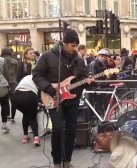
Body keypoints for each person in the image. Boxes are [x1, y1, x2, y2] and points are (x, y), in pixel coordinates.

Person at [32, 28, 94, 168]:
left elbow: (82, 78)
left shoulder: (78, 59)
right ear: (64, 43)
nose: (74, 49)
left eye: (76, 46)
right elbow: (36, 74)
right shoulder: (47, 56)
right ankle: (56, 161)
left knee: (71, 130)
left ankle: (67, 160)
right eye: (72, 46)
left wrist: (89, 81)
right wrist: (48, 88)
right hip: (53, 98)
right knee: (58, 129)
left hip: (72, 99)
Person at [11, 75, 40, 146]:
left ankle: (25, 136)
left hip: (16, 97)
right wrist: (40, 101)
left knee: (25, 115)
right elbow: (40, 91)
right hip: (30, 96)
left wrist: (12, 116)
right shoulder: (39, 78)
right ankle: (36, 138)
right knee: (33, 118)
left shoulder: (27, 77)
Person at [1, 48, 19, 123]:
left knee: (5, 100)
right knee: (13, 100)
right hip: (13, 82)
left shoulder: (1, 60)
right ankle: (12, 117)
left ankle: (7, 115)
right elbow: (17, 72)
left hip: (3, 83)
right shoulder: (15, 61)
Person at [0, 56, 10, 133]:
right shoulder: (2, 60)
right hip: (2, 85)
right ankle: (4, 125)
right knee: (4, 104)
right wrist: (8, 83)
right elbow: (6, 74)